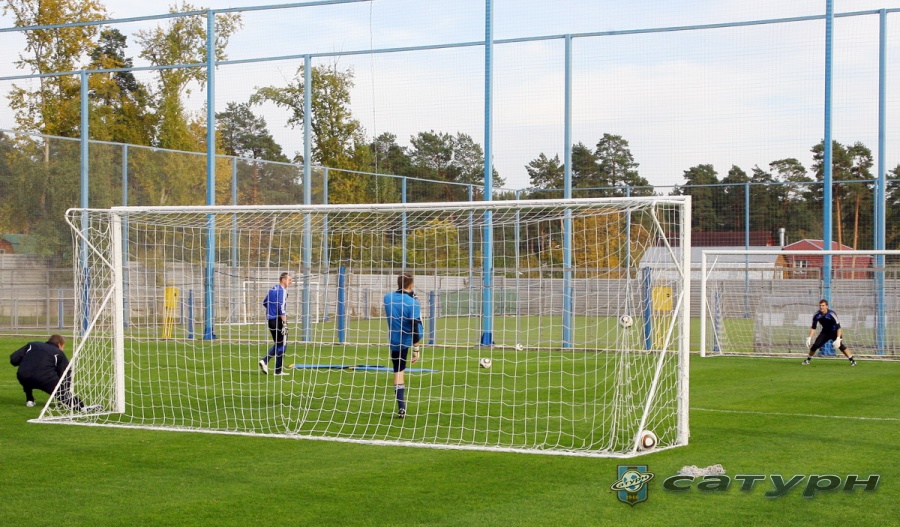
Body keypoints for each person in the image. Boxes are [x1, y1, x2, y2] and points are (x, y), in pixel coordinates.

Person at [9, 334, 102, 411]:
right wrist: (65, 391)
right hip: (44, 379)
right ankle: (82, 407)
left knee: (28, 372)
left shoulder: (32, 345)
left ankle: (29, 400)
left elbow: (14, 359)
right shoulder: (58, 353)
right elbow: (66, 373)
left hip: (22, 376)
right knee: (62, 394)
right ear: (60, 345)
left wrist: (28, 361)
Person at [383, 272, 424, 419]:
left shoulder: (387, 298)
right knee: (401, 372)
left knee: (398, 371)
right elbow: (414, 326)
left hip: (394, 340)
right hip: (407, 339)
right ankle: (401, 407)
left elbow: (398, 300)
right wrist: (416, 349)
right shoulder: (413, 303)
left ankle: (401, 407)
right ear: (411, 285)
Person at [803, 299, 856, 366]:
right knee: (815, 345)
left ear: (826, 306)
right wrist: (809, 337)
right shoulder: (816, 315)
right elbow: (813, 327)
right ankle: (807, 360)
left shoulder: (832, 314)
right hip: (825, 332)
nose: (821, 307)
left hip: (835, 332)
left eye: (823, 305)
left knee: (840, 346)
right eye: (820, 305)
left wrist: (838, 338)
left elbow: (839, 328)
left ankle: (852, 361)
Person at [259, 272, 292, 376]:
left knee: (279, 344)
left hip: (271, 320)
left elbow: (265, 302)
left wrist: (271, 311)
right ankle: (269, 364)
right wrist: (284, 323)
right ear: (283, 280)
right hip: (278, 320)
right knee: (282, 344)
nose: (291, 282)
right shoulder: (282, 291)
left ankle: (270, 365)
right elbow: (281, 308)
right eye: (289, 280)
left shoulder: (273, 289)